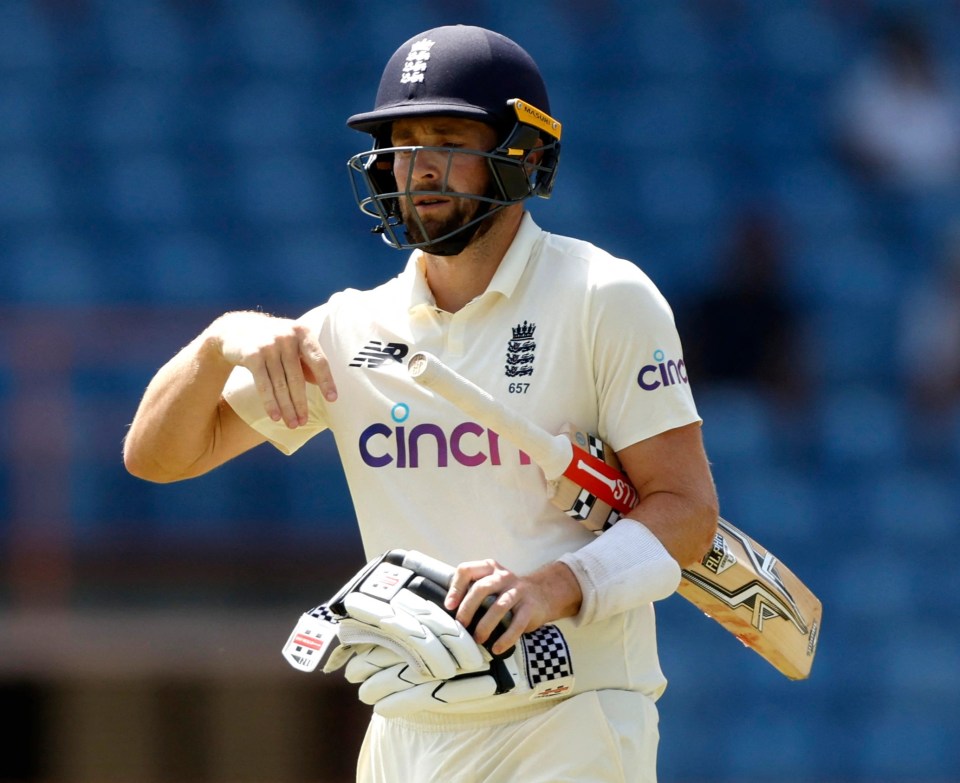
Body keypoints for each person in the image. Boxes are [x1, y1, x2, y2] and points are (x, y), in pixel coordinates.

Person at [124, 25, 718, 783]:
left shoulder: (603, 297)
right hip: (406, 731)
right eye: (403, 144)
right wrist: (217, 343)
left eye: (448, 139)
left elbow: (689, 513)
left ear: (526, 154)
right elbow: (160, 455)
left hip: (569, 718)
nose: (421, 168)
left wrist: (554, 586)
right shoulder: (347, 330)